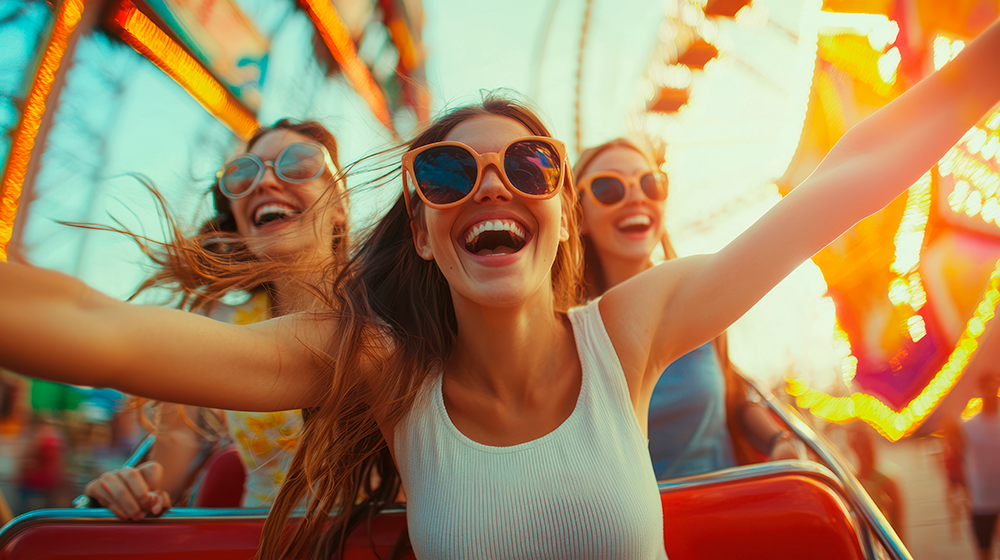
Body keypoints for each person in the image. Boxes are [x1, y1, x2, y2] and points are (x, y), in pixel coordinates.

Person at [1, 18, 998, 559]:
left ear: (558, 216)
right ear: (427, 233)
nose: (489, 181)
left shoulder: (632, 327)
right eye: (445, 173)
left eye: (530, 166)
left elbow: (847, 175)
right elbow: (94, 325)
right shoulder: (384, 369)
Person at [81, 119, 349, 520]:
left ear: (340, 206)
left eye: (298, 164)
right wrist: (130, 490)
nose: (265, 182)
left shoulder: (398, 315)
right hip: (254, 542)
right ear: (239, 222)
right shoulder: (216, 328)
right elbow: (167, 469)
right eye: (242, 174)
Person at [573, 137, 797, 479]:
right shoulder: (565, 335)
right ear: (577, 215)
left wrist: (778, 441)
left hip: (725, 513)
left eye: (650, 183)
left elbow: (732, 395)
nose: (636, 197)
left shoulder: (701, 303)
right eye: (608, 188)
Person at [953, 373, 1000, 560]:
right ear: (981, 391)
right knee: (984, 551)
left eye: (995, 387)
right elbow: (958, 459)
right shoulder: (969, 426)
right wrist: (964, 492)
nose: (991, 393)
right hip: (981, 501)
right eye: (987, 388)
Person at [845, 423, 905, 542]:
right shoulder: (851, 479)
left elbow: (898, 523)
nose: (860, 451)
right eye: (856, 445)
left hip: (880, 541)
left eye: (862, 445)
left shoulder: (886, 481)